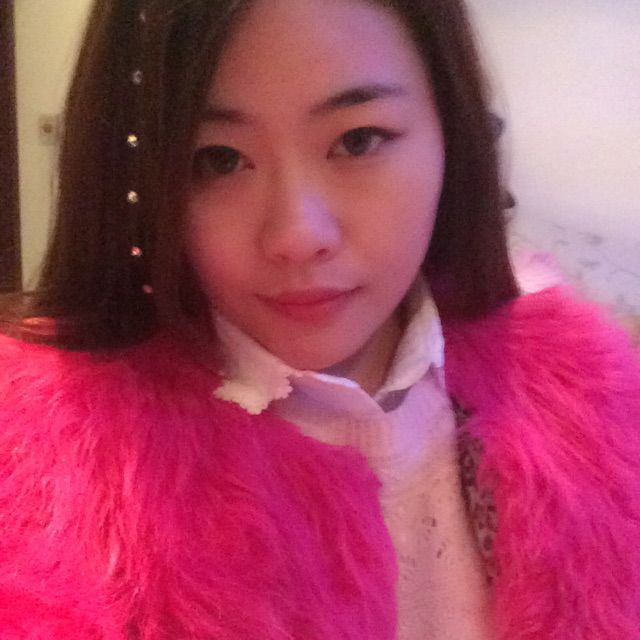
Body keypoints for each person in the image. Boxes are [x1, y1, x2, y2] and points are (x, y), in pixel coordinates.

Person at [1, 0, 639, 638]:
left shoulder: (598, 412)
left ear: (452, 131)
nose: (298, 236)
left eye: (358, 140)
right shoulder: (45, 493)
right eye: (218, 159)